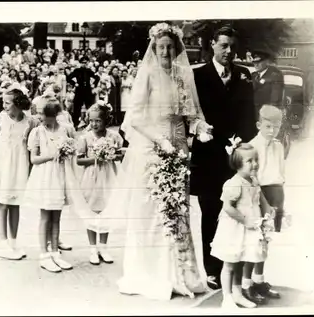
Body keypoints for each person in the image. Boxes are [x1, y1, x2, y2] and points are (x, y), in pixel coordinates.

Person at [104, 22, 213, 300]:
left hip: (179, 149)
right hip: (154, 150)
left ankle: (180, 275)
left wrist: (200, 128)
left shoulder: (182, 75)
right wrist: (159, 141)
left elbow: (192, 112)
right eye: (160, 47)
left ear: (177, 48)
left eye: (170, 46)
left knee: (179, 210)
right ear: (154, 48)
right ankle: (152, 274)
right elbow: (135, 119)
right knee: (153, 213)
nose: (165, 51)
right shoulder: (148, 75)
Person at [190, 26, 258, 289]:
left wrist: (241, 140)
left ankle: (234, 265)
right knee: (211, 212)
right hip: (208, 157)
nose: (229, 51)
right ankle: (212, 269)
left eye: (232, 46)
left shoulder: (244, 75)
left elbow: (249, 116)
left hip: (236, 158)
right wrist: (207, 134)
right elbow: (193, 116)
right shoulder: (199, 76)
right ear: (212, 46)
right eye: (223, 46)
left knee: (238, 209)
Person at [23, 98, 89, 272]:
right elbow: (34, 159)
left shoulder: (65, 130)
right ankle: (44, 255)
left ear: (53, 116)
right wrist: (52, 155)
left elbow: (75, 147)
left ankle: (55, 252)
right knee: (45, 216)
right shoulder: (37, 132)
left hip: (60, 175)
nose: (40, 119)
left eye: (43, 116)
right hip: (44, 176)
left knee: (56, 216)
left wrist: (67, 151)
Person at [210, 142, 275, 308]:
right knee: (230, 263)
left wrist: (268, 212)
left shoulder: (253, 180)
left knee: (241, 260)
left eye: (256, 159)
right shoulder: (234, 183)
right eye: (249, 161)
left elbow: (262, 199)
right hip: (235, 228)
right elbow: (227, 207)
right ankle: (227, 297)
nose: (255, 164)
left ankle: (238, 293)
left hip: (250, 227)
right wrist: (245, 220)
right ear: (237, 164)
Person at [0, 87, 35, 260]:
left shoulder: (30, 122)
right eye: (3, 102)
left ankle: (13, 241)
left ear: (18, 104)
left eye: (7, 102)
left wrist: (30, 169)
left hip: (19, 164)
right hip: (2, 163)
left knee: (15, 203)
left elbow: (29, 147)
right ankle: (2, 242)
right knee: (2, 203)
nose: (3, 105)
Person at [244, 105, 287, 301]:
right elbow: (252, 180)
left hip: (275, 193)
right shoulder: (252, 146)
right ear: (258, 125)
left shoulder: (278, 145)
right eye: (268, 126)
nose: (272, 131)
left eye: (276, 127)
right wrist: (263, 203)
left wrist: (279, 203)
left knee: (265, 241)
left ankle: (259, 281)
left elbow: (279, 175)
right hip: (259, 196)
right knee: (254, 242)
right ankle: (246, 285)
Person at [76, 103, 124, 265]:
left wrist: (111, 155)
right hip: (91, 177)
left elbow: (119, 155)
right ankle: (92, 248)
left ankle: (103, 246)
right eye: (92, 121)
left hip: (108, 176)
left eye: (98, 121)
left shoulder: (113, 137)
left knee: (106, 210)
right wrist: (95, 158)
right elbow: (79, 160)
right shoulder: (85, 138)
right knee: (92, 211)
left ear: (106, 120)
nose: (95, 124)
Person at [67, 56, 100, 128]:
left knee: (90, 108)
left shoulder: (89, 71)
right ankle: (75, 124)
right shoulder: (77, 70)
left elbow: (97, 77)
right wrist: (74, 83)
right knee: (76, 108)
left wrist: (93, 84)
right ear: (80, 63)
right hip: (79, 91)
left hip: (87, 91)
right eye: (83, 63)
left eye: (86, 63)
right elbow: (68, 77)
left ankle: (90, 124)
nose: (84, 64)